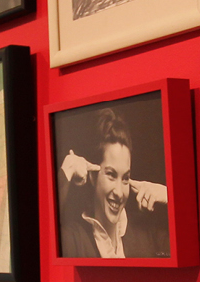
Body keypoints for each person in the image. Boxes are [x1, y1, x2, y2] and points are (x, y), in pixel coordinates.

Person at [57, 107, 167, 258]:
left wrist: (168, 195)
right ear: (93, 177)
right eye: (111, 175)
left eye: (125, 178)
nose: (119, 192)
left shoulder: (145, 232)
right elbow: (41, 240)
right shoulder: (74, 239)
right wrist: (66, 172)